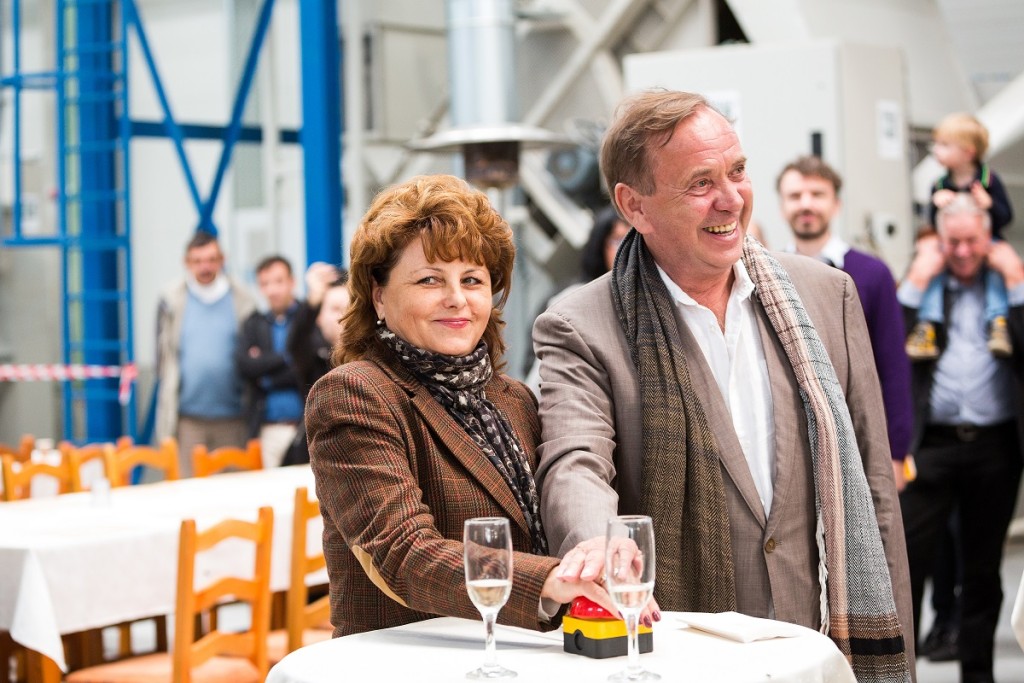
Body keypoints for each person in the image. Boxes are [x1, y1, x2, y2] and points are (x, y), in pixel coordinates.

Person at [533, 90, 913, 682]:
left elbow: (874, 487)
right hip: (681, 651)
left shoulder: (826, 294)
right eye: (700, 183)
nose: (731, 198)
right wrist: (597, 544)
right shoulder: (580, 324)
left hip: (822, 652)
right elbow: (573, 461)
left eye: (737, 171)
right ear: (634, 206)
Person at [305, 174, 614, 637]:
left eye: (472, 280)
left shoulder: (514, 399)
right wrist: (548, 581)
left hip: (519, 654)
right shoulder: (355, 395)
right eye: (430, 279)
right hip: (404, 658)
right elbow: (404, 553)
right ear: (379, 295)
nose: (457, 299)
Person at [897, 193, 1024, 683]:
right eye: (954, 242)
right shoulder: (925, 287)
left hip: (996, 448)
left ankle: (978, 674)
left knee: (982, 570)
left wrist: (1017, 284)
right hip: (930, 447)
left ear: (989, 239)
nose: (964, 251)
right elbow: (887, 351)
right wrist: (916, 281)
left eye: (973, 241)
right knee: (907, 563)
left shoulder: (1006, 288)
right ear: (939, 241)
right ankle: (898, 672)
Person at [776, 155, 914, 489]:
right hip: (790, 442)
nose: (805, 204)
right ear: (781, 206)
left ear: (836, 204)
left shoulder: (872, 273)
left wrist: (897, 453)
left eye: (817, 194)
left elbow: (893, 366)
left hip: (859, 436)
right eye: (795, 196)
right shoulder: (767, 272)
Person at [905, 113, 1015, 361]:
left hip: (989, 244)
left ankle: (998, 321)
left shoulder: (989, 180)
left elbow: (1006, 217)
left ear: (968, 152)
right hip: (946, 245)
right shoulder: (939, 183)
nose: (936, 150)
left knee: (997, 273)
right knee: (933, 273)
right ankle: (927, 323)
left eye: (944, 145)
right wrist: (935, 204)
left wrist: (989, 204)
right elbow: (934, 222)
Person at [155, 231, 254, 477]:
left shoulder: (243, 299)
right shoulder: (171, 300)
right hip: (188, 421)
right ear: (187, 263)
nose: (205, 267)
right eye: (197, 261)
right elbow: (163, 357)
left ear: (222, 260)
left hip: (234, 419)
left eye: (211, 259)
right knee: (189, 490)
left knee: (234, 491)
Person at [524, 205, 629, 390]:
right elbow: (538, 371)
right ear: (600, 245)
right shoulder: (568, 300)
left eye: (633, 242)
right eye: (618, 240)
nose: (626, 251)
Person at [236, 256, 305, 468]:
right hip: (267, 429)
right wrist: (286, 356)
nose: (272, 290)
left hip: (304, 428)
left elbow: (305, 368)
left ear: (292, 282)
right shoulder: (254, 323)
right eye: (265, 284)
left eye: (278, 281)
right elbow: (246, 366)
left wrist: (267, 377)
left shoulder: (307, 319)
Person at [281, 264, 349, 466]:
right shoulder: (312, 356)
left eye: (349, 308)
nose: (343, 317)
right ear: (318, 317)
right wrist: (313, 298)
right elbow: (295, 341)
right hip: (313, 457)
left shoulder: (371, 356)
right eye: (335, 309)